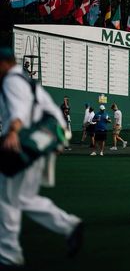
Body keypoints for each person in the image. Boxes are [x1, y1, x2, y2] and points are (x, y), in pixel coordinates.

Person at [0, 48, 83, 269]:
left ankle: (9, 254)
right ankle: (68, 225)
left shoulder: (11, 81)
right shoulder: (28, 81)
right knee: (23, 198)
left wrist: (12, 132)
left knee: (7, 199)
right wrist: (59, 142)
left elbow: (19, 112)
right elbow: (54, 115)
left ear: (4, 63)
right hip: (39, 144)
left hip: (22, 144)